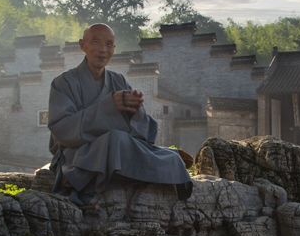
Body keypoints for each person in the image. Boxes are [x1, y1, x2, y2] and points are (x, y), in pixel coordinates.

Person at [47, 23, 193, 204]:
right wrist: (108, 107)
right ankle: (161, 161)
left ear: (114, 49)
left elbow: (145, 132)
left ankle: (168, 159)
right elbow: (62, 131)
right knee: (116, 140)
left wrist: (135, 111)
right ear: (82, 45)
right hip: (77, 156)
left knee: (130, 144)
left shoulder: (118, 80)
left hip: (115, 148)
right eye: (95, 42)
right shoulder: (63, 83)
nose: (102, 49)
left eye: (109, 44)